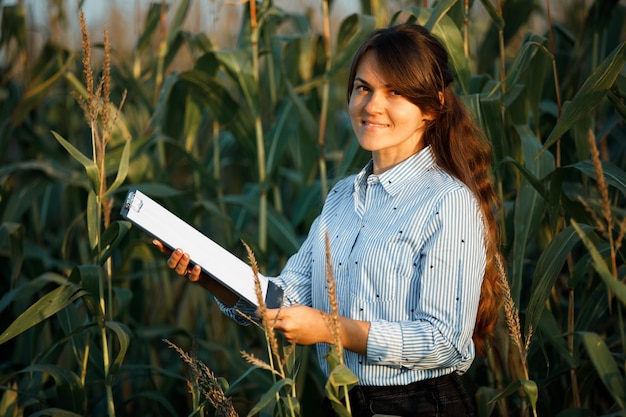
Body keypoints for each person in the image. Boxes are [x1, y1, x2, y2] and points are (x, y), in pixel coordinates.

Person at [156, 22, 504, 417]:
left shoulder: (447, 202)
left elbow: (444, 341)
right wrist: (213, 280)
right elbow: (285, 299)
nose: (372, 105)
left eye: (395, 92)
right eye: (363, 87)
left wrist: (330, 329)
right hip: (341, 403)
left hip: (420, 406)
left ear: (432, 106)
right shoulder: (342, 197)